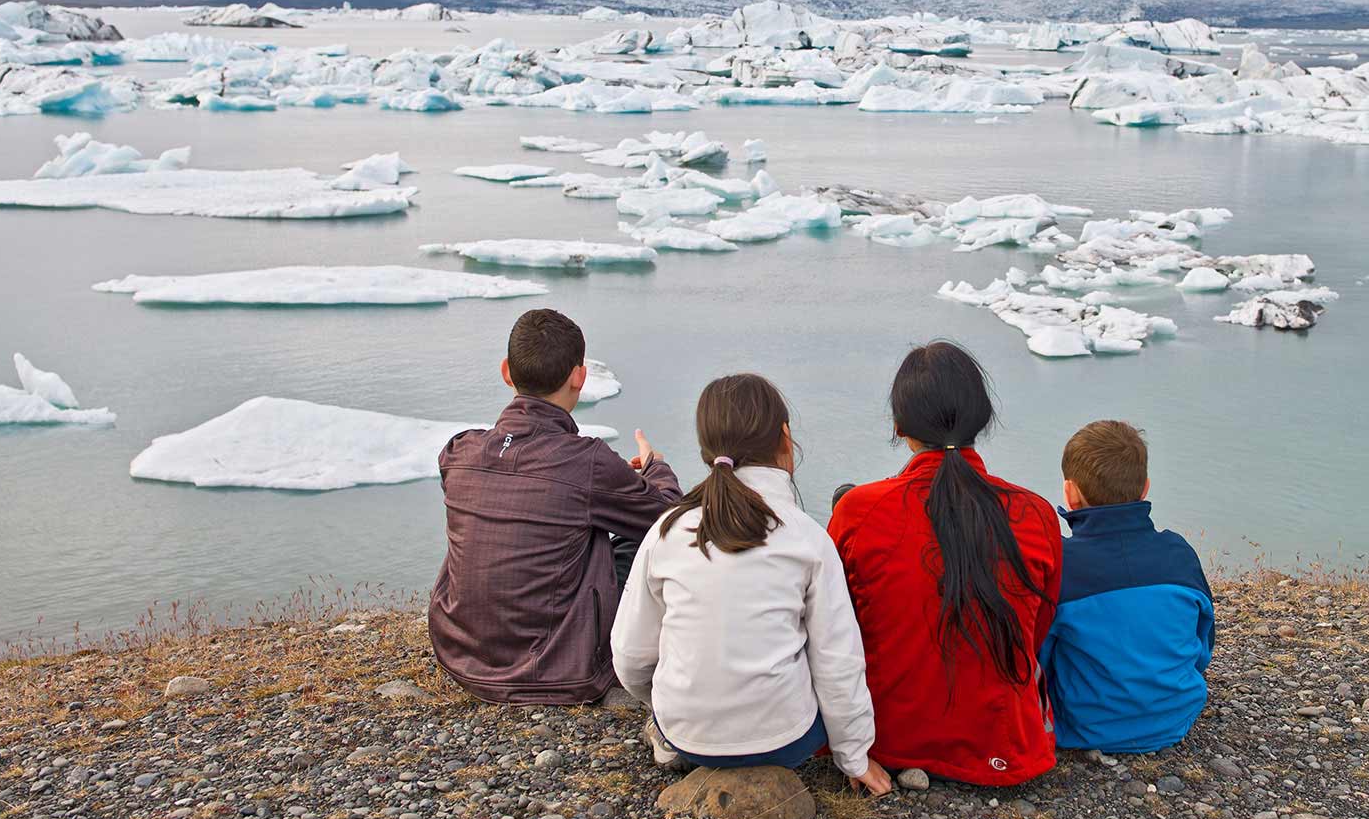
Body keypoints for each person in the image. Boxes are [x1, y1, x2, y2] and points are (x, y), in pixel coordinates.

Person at [612, 374, 893, 794]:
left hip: (686, 735)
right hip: (786, 743)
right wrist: (854, 757)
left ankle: (672, 742)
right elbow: (838, 662)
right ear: (785, 439)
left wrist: (666, 708)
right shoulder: (806, 536)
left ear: (707, 449)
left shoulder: (667, 531)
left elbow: (630, 656)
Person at [828, 342, 1063, 786]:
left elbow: (836, 625)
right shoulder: (1035, 513)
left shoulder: (860, 510)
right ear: (983, 419)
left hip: (885, 739)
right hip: (1005, 746)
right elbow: (1037, 628)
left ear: (899, 426)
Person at [429, 308, 682, 704]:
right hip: (560, 671)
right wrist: (657, 468)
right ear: (579, 377)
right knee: (644, 544)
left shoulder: (459, 452)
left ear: (506, 372)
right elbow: (669, 517)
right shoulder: (588, 461)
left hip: (461, 659)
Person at [1040, 420, 1214, 753]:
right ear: (1145, 487)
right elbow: (1203, 644)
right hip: (1175, 717)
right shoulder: (1179, 554)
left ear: (1070, 492)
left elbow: (1040, 655)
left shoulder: (1061, 563)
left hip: (1082, 725)